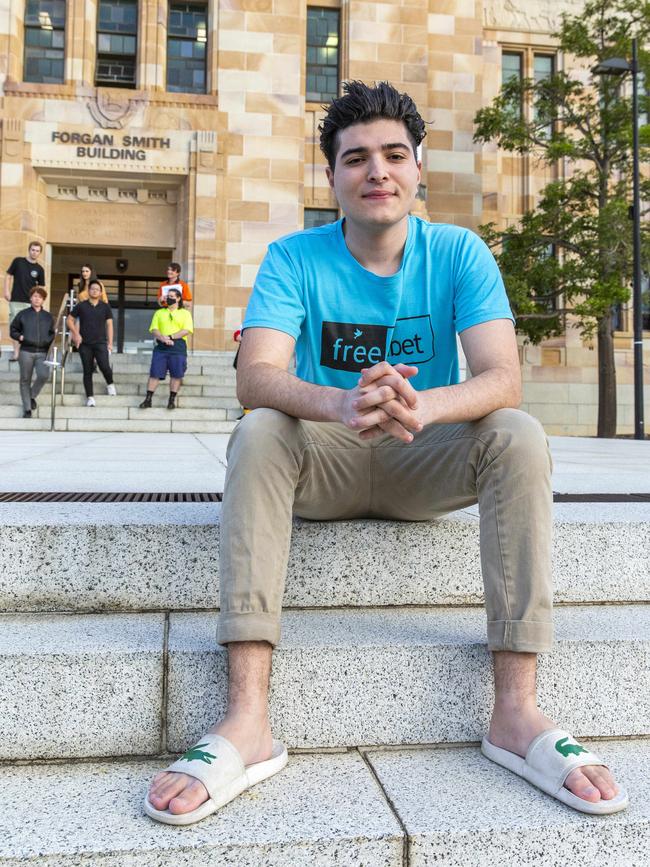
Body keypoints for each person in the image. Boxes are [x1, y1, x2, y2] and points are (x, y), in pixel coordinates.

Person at [146, 81, 626, 826]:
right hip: (325, 459)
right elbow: (256, 373)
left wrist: (422, 403)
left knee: (519, 434)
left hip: (421, 453)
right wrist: (339, 401)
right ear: (332, 176)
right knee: (261, 428)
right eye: (356, 158)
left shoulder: (459, 252)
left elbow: (504, 374)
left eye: (394, 155)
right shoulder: (292, 257)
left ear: (418, 167)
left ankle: (516, 711)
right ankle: (247, 717)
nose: (378, 171)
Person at [138, 288, 193, 410]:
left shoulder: (185, 313)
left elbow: (186, 330)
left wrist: (170, 337)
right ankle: (148, 399)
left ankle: (171, 400)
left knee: (176, 375)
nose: (169, 298)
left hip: (178, 347)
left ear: (178, 298)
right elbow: (154, 329)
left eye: (172, 296)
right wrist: (163, 338)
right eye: (168, 296)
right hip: (161, 347)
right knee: (155, 373)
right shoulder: (159, 313)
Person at [66, 279, 116, 407]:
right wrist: (76, 334)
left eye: (97, 289)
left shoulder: (105, 307)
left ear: (100, 293)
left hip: (100, 342)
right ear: (88, 291)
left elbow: (109, 325)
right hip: (85, 343)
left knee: (104, 366)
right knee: (87, 370)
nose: (94, 291)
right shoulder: (81, 306)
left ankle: (110, 384)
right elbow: (69, 320)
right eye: (92, 289)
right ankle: (90, 397)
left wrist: (110, 342)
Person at [9, 285, 54, 418]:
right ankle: (27, 409)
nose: (37, 299)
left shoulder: (48, 316)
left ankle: (32, 395)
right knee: (25, 380)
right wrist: (20, 337)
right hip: (26, 352)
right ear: (30, 298)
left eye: (39, 297)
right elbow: (13, 330)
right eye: (34, 296)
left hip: (42, 352)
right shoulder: (22, 314)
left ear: (43, 300)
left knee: (44, 375)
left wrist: (48, 340)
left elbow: (52, 333)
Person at [4, 241, 45, 363]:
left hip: (30, 303)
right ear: (29, 249)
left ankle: (24, 353)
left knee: (28, 328)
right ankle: (16, 353)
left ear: (40, 253)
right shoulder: (18, 261)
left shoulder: (39, 269)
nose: (35, 252)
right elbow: (8, 276)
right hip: (16, 299)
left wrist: (39, 302)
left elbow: (41, 288)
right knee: (15, 327)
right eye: (33, 250)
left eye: (37, 251)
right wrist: (6, 291)